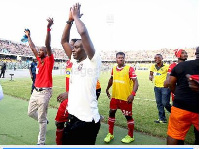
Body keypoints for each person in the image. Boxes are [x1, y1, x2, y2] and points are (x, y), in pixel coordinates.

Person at [59, 3, 101, 145]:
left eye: (77, 47)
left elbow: (83, 33)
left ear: (86, 49)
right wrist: (69, 20)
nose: (74, 50)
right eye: (74, 47)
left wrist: (76, 17)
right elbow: (63, 41)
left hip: (87, 122)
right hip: (73, 119)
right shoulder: (75, 61)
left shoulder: (93, 61)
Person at [25, 18, 54, 145]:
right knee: (30, 112)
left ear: (46, 52)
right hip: (35, 91)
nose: (39, 51)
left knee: (41, 120)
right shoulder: (39, 60)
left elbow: (47, 44)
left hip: (45, 93)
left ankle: (41, 142)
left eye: (42, 50)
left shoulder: (49, 60)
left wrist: (48, 28)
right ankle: (44, 120)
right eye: (39, 50)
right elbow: (32, 47)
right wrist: (28, 36)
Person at [104, 52, 139, 144]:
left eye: (122, 58)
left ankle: (130, 136)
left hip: (125, 98)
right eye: (119, 58)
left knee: (128, 117)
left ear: (124, 59)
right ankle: (110, 134)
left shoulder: (129, 69)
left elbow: (136, 82)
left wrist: (132, 94)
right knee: (111, 113)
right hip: (115, 97)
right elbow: (111, 79)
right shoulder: (113, 69)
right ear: (116, 59)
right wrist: (107, 89)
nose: (120, 59)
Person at [167, 47, 199, 145]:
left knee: (174, 135)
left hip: (181, 106)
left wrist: (178, 94)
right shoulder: (176, 65)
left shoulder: (181, 66)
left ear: (196, 53)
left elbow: (169, 83)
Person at [149, 54, 171, 124]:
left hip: (165, 87)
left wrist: (167, 83)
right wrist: (150, 76)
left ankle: (176, 114)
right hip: (156, 87)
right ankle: (162, 119)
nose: (157, 59)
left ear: (162, 58)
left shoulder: (167, 66)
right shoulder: (153, 66)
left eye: (158, 57)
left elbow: (169, 76)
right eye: (155, 58)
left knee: (165, 103)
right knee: (159, 103)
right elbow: (151, 74)